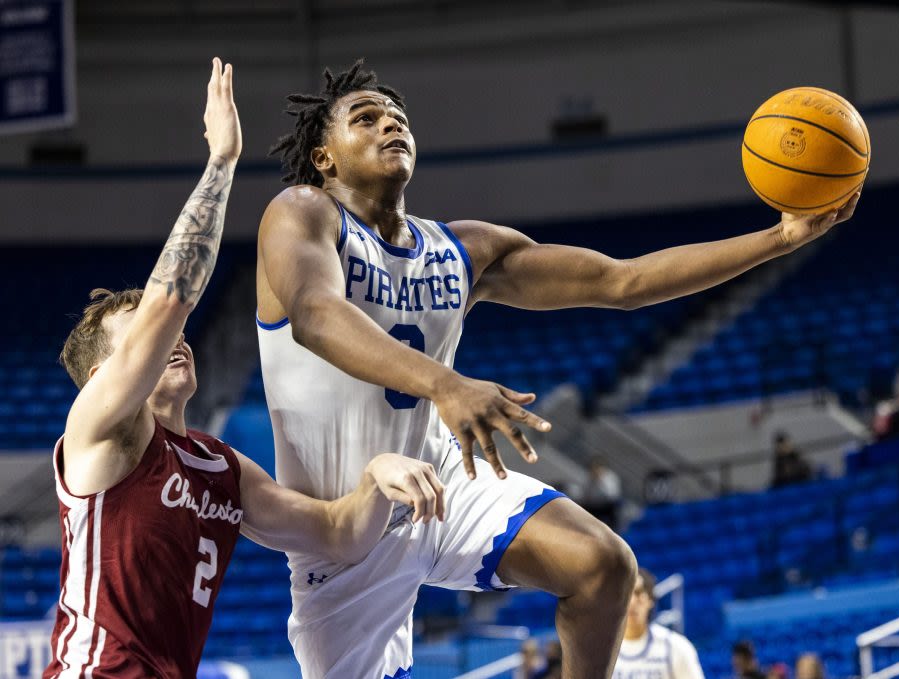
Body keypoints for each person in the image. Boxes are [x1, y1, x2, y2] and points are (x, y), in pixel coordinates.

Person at [256, 59, 860, 678]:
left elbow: (622, 281)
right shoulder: (301, 212)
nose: (391, 123)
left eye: (398, 117)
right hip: (343, 527)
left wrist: (780, 239)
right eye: (366, 117)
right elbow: (315, 314)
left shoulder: (461, 249)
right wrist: (446, 384)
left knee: (602, 566)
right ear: (325, 157)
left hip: (440, 484)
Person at [44, 60, 444, 679]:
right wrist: (222, 162)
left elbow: (339, 535)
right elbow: (170, 300)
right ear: (102, 379)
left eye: (176, 335)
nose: (174, 339)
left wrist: (376, 476)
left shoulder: (218, 468)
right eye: (143, 341)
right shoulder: (97, 434)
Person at [612, 568, 704, 679]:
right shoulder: (600, 649)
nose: (632, 602)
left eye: (638, 593)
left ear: (650, 600)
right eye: (626, 593)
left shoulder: (676, 647)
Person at [581, 456, 623, 529]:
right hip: (593, 505)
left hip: (607, 506)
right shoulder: (589, 478)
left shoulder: (610, 477)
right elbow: (586, 495)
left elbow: (611, 495)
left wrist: (599, 480)